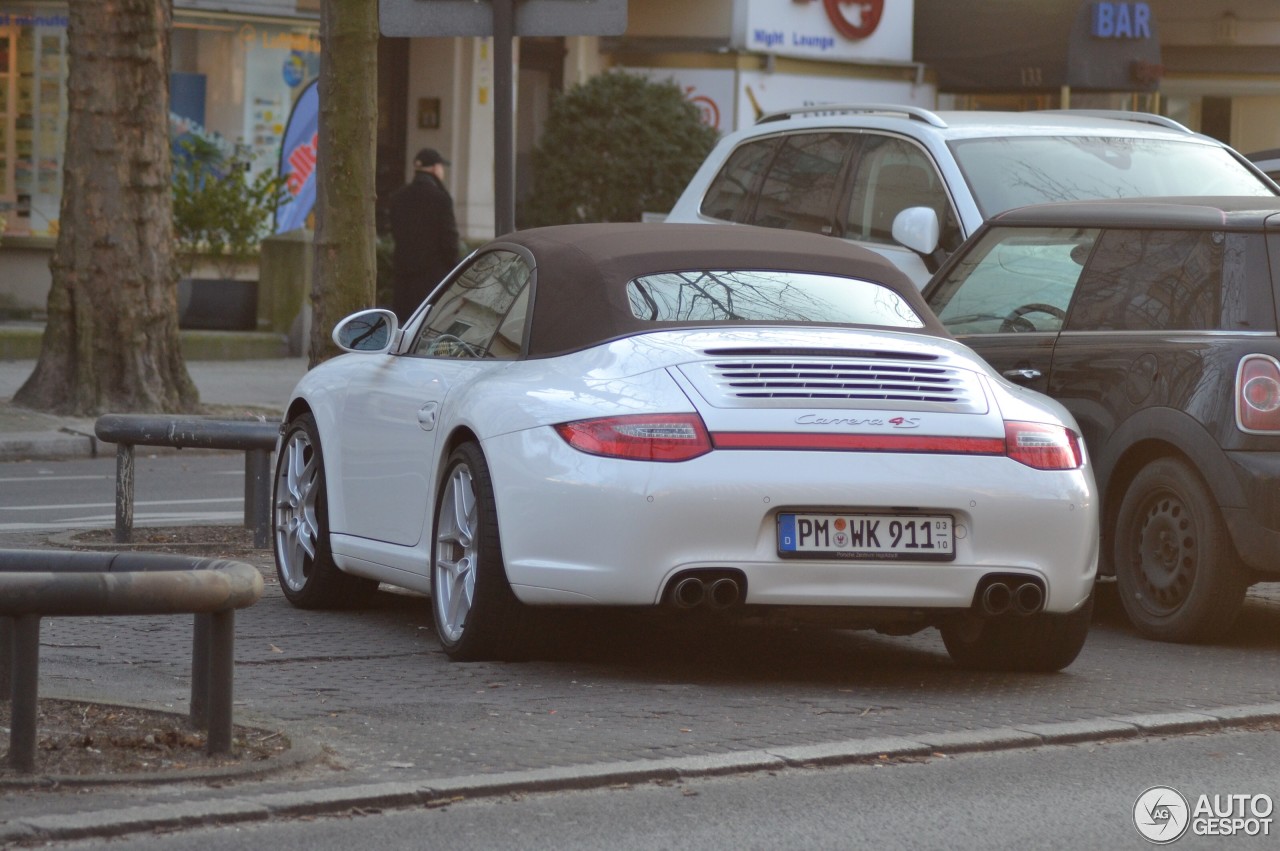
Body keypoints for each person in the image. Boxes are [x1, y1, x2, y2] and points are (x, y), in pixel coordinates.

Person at [388, 147, 460, 322]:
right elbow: (449, 242)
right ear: (435, 168)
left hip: (403, 282)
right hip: (433, 283)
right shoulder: (441, 199)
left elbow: (396, 234)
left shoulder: (398, 197)